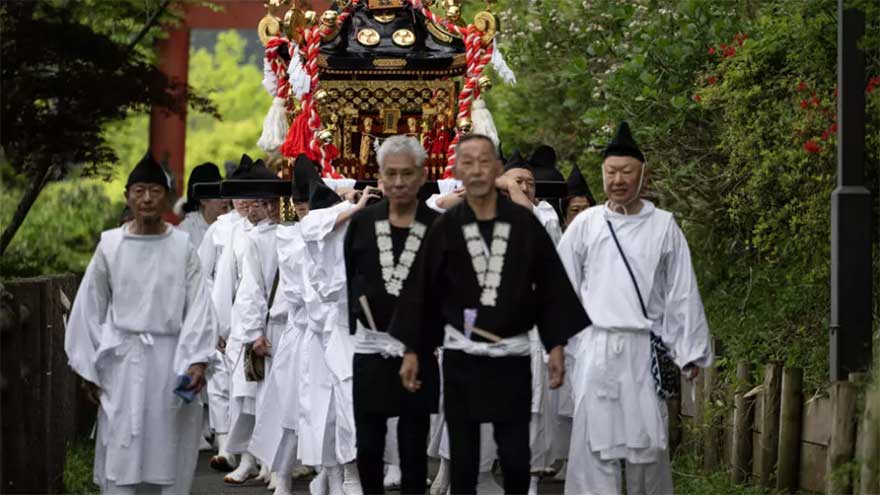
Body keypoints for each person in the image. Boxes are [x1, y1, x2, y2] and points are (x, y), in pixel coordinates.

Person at [391, 134, 590, 495]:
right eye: (468, 164)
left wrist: (557, 345)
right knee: (465, 440)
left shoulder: (529, 221)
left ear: (498, 171)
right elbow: (423, 289)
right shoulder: (449, 223)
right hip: (464, 347)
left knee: (516, 441)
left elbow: (551, 284)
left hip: (514, 348)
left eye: (485, 163)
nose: (477, 171)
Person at [557, 122, 713, 495]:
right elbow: (560, 284)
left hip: (643, 349)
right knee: (594, 443)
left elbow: (681, 292)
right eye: (611, 172)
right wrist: (557, 342)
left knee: (646, 445)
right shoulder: (587, 224)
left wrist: (688, 350)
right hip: (595, 346)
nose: (618, 180)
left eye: (626, 172)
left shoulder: (663, 226)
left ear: (643, 175)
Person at [64, 151, 215, 494]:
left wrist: (197, 359)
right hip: (122, 364)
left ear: (167, 197)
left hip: (170, 362)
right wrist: (89, 366)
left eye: (155, 191)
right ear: (128, 197)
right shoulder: (110, 246)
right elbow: (89, 306)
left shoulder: (182, 247)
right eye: (139, 191)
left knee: (168, 446)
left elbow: (199, 305)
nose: (147, 198)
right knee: (121, 447)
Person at [343, 136, 440, 495]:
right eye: (391, 173)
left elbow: (444, 292)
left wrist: (419, 344)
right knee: (368, 445)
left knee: (413, 449)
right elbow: (352, 276)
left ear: (422, 175)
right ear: (380, 177)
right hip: (372, 347)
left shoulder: (437, 226)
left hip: (419, 349)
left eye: (407, 173)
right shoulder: (362, 222)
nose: (398, 182)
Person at [297, 160, 368, 495]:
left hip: (369, 323)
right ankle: (344, 473)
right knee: (335, 406)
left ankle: (358, 472)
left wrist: (355, 202)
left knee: (362, 404)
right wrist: (351, 205)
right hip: (332, 326)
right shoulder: (314, 224)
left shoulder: (359, 221)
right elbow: (318, 223)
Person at [249, 155, 313, 495]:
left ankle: (331, 473)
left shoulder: (331, 228)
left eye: (308, 204)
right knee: (287, 405)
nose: (302, 209)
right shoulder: (286, 237)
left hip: (323, 330)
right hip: (293, 326)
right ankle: (281, 472)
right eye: (298, 204)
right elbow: (259, 290)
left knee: (327, 406)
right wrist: (253, 331)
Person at [198, 156, 258, 471]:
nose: (243, 202)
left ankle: (253, 452)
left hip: (253, 312)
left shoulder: (264, 228)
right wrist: (217, 320)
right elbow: (205, 273)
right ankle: (225, 445)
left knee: (251, 383)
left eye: (250, 195)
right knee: (221, 380)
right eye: (238, 195)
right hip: (222, 308)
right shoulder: (220, 229)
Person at [177, 162, 229, 249]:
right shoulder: (185, 231)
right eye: (219, 195)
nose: (226, 200)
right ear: (203, 200)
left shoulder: (233, 225)